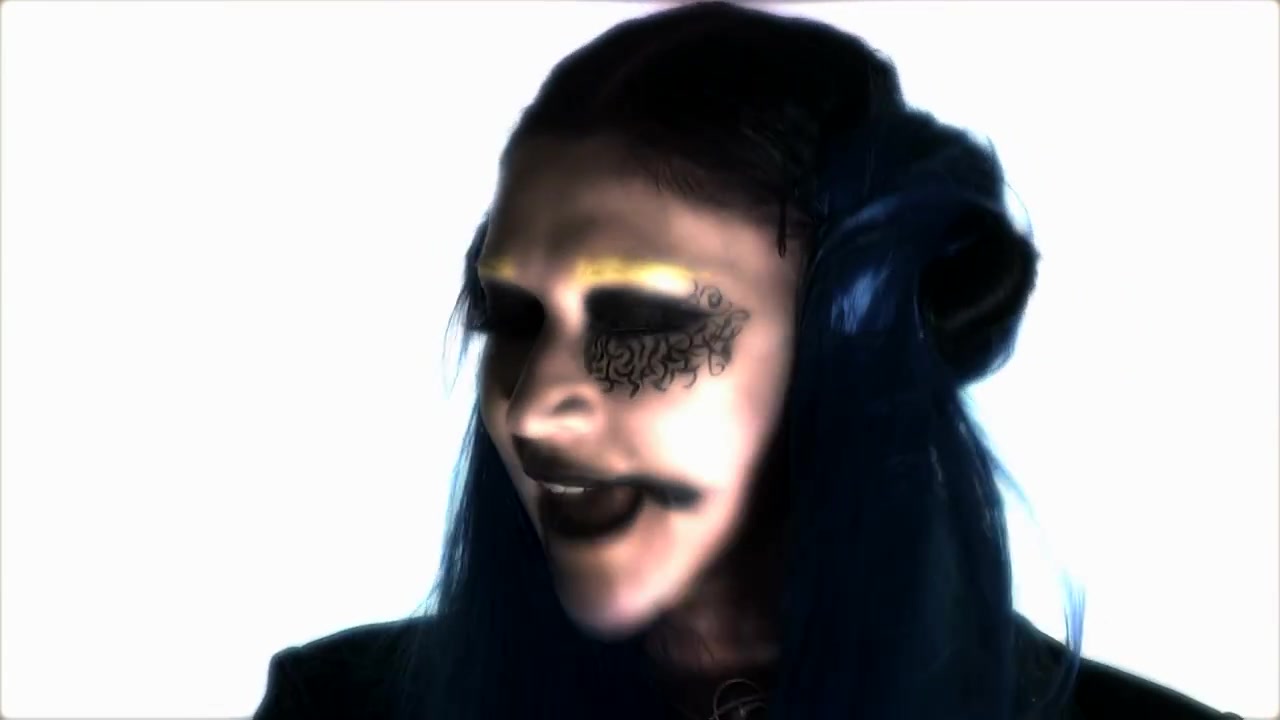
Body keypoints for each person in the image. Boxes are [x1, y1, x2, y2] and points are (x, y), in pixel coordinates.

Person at [252, 3, 1240, 719]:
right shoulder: (342, 708)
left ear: (853, 339)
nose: (532, 406)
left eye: (641, 323)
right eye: (511, 317)